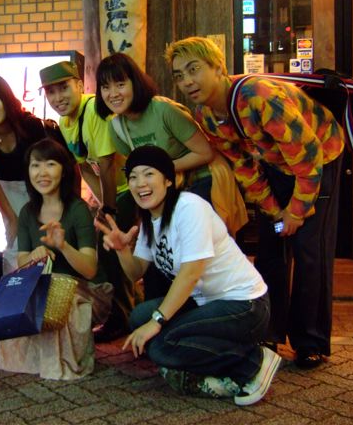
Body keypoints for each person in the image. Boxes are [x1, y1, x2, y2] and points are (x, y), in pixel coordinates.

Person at [165, 37, 345, 369]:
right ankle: (269, 331)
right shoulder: (205, 115)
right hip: (275, 165)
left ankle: (310, 341)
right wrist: (275, 212)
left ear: (218, 67)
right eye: (179, 75)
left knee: (309, 249)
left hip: (319, 158)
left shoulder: (260, 97)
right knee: (272, 247)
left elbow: (308, 158)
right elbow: (243, 165)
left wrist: (296, 212)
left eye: (194, 69)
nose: (187, 81)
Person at [96, 145, 279, 406]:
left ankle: (252, 361)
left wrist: (158, 321)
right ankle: (202, 356)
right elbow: (136, 272)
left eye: (149, 174)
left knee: (162, 346)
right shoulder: (150, 219)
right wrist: (122, 250)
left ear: (168, 180)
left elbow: (191, 273)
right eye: (133, 177)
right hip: (206, 302)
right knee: (139, 318)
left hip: (245, 305)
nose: (140, 183)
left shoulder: (189, 207)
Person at [95, 52, 247, 300]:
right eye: (105, 87)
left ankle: (219, 304)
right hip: (166, 188)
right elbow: (138, 167)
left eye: (120, 84)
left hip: (201, 180)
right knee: (155, 254)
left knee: (198, 258)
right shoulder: (116, 126)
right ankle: (153, 306)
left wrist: (162, 168)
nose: (113, 93)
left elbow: (205, 152)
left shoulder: (163, 110)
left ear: (135, 82)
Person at [0, 138, 112, 380]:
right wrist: (34, 255)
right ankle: (37, 359)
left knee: (56, 299)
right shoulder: (27, 212)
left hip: (87, 291)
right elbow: (22, 262)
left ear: (64, 170)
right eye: (35, 165)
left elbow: (90, 270)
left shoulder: (78, 209)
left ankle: (63, 360)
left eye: (50, 164)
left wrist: (63, 246)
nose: (42, 173)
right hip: (45, 288)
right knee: (23, 299)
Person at [39, 60, 135, 342]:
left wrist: (109, 208)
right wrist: (101, 203)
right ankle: (126, 307)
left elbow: (106, 164)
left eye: (64, 88)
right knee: (105, 248)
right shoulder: (65, 122)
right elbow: (84, 166)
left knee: (110, 248)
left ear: (80, 85)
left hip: (132, 188)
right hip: (114, 193)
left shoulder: (93, 110)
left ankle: (122, 317)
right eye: (51, 92)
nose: (58, 97)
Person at [0, 74, 47, 274]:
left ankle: (47, 288)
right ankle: (14, 288)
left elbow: (46, 168)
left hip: (38, 189)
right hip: (6, 190)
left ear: (6, 99)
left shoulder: (30, 125)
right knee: (14, 242)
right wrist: (10, 216)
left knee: (41, 241)